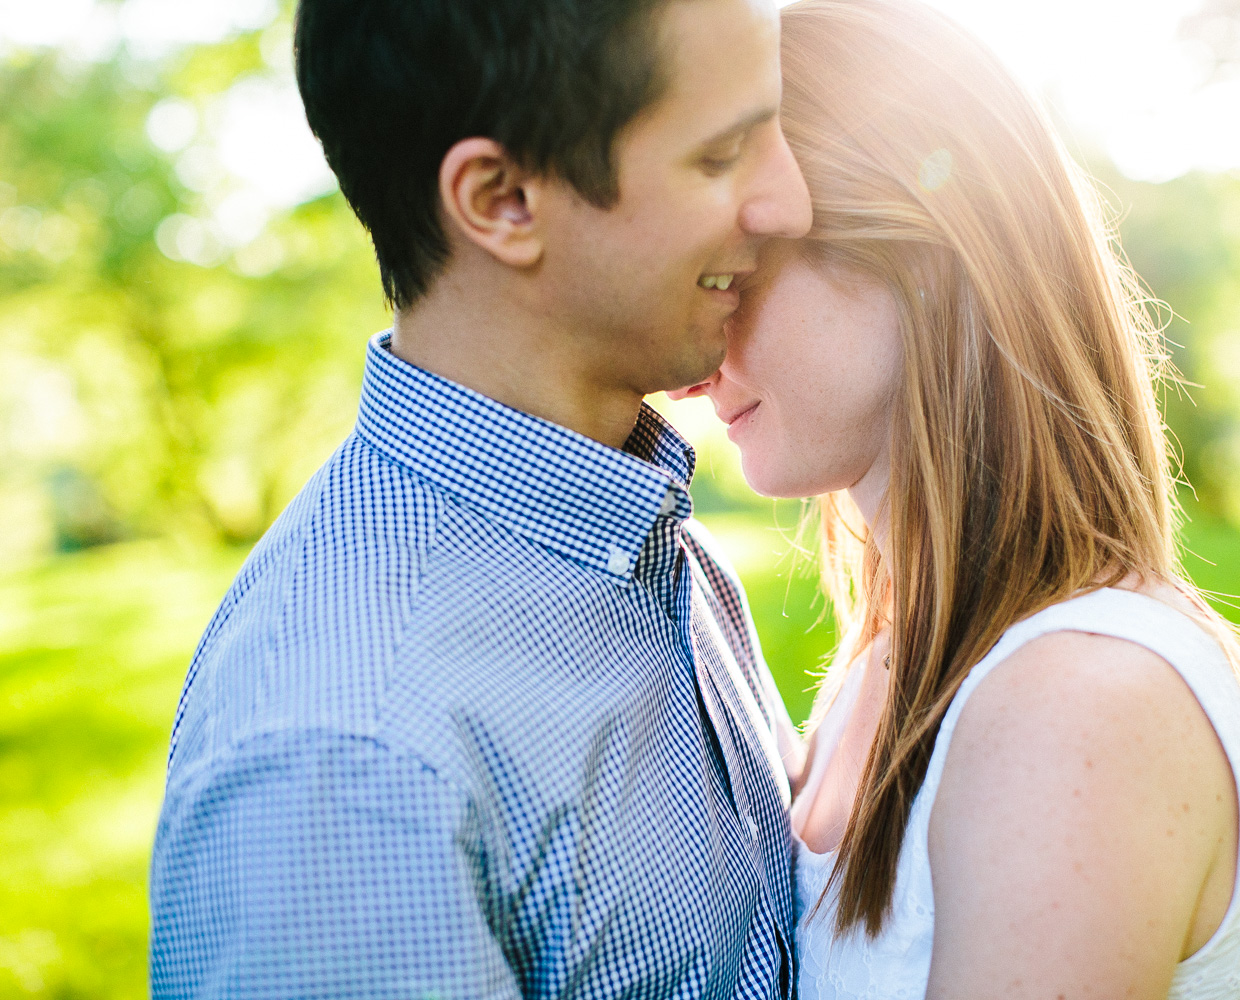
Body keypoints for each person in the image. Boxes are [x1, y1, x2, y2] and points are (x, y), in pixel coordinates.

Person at [148, 0, 811, 995]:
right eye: (722, 156)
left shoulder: (654, 544)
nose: (789, 202)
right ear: (503, 199)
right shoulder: (347, 759)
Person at [671, 1, 1240, 997]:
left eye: (731, 273)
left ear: (919, 249)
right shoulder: (894, 652)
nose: (688, 358)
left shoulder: (1077, 702)